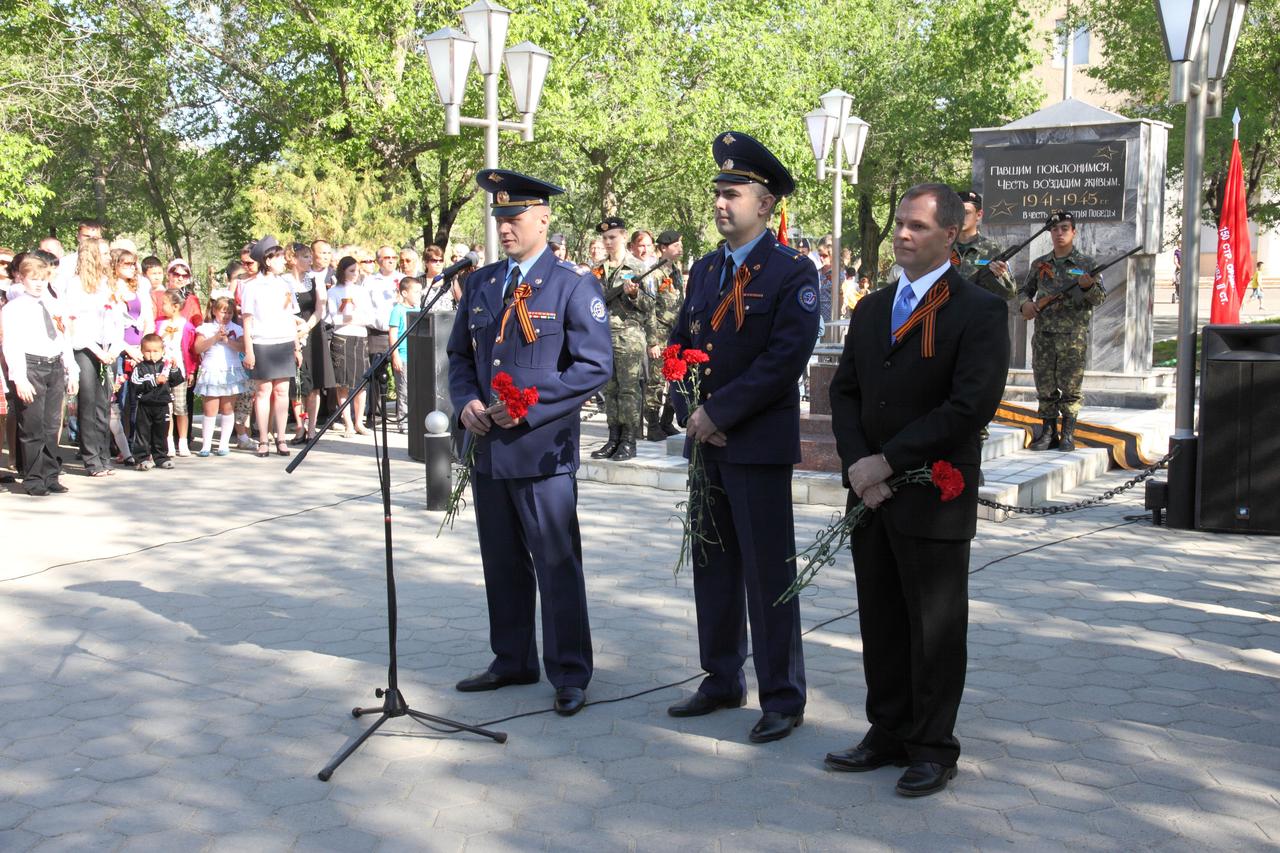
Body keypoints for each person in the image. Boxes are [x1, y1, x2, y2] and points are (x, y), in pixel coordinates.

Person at [826, 183, 1009, 797]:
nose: (903, 234)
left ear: (951, 234)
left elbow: (970, 405)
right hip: (870, 492)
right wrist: (859, 465)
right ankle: (888, 730)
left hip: (933, 493)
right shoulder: (873, 308)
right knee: (880, 617)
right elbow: (846, 392)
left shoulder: (978, 309)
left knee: (934, 626)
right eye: (900, 223)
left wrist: (888, 461)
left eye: (919, 226)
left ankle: (932, 747)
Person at [664, 131, 818, 745]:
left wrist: (719, 413)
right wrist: (688, 409)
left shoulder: (791, 271)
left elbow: (784, 360)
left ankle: (782, 695)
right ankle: (721, 677)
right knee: (714, 566)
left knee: (767, 573)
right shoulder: (705, 270)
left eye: (733, 193)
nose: (721, 203)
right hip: (707, 445)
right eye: (718, 192)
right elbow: (680, 347)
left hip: (754, 446)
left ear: (765, 202)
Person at [446, 169, 612, 717]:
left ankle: (570, 671)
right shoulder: (482, 282)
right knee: (502, 561)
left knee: (556, 562)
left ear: (543, 219)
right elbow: (461, 356)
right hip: (489, 447)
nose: (505, 227)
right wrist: (465, 402)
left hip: (541, 450)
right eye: (499, 217)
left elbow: (594, 366)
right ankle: (512, 659)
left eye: (514, 217)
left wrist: (528, 407)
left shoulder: (572, 284)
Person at [1019, 211, 1104, 452]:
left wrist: (1088, 287)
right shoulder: (1040, 264)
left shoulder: (1086, 264)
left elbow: (1099, 298)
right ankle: (1048, 433)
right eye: (1055, 229)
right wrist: (1025, 304)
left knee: (1071, 387)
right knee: (1045, 386)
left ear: (1074, 232)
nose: (1059, 233)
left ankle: (1067, 433)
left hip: (1072, 336)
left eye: (1065, 228)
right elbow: (1024, 290)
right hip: (1044, 335)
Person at [2, 256, 78, 494]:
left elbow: (64, 339)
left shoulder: (55, 304)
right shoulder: (14, 308)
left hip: (54, 366)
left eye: (42, 279)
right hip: (30, 366)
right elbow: (11, 345)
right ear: (21, 278)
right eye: (33, 279)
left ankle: (50, 474)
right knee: (32, 425)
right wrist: (20, 378)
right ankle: (33, 478)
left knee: (51, 425)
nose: (38, 284)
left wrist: (71, 370)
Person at [588, 216, 648, 461]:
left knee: (628, 390)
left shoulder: (638, 268)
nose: (608, 242)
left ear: (624, 237)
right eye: (604, 238)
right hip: (603, 336)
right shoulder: (597, 269)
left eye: (612, 237)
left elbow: (650, 305)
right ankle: (613, 438)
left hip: (628, 337)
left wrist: (634, 296)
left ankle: (629, 440)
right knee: (610, 390)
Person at [64, 237, 122, 476]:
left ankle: (104, 455)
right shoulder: (76, 285)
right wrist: (97, 351)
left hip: (107, 348)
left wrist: (114, 348)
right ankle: (91, 459)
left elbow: (117, 320)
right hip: (86, 349)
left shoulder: (109, 284)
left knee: (103, 404)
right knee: (88, 403)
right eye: (105, 253)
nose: (109, 257)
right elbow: (74, 324)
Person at [242, 236, 302, 457]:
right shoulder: (252, 286)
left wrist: (296, 346)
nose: (284, 261)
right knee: (263, 391)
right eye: (279, 257)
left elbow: (290, 316)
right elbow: (247, 321)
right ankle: (263, 439)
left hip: (284, 341)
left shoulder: (285, 284)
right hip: (262, 342)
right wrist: (249, 350)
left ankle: (281, 437)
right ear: (268, 260)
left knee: (282, 391)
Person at [642, 230, 684, 440]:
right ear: (663, 248)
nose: (680, 248)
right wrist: (652, 342)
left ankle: (667, 421)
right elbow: (649, 309)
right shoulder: (654, 273)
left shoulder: (676, 270)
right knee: (656, 380)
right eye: (676, 245)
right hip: (659, 332)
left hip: (676, 332)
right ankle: (652, 424)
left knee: (676, 376)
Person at [193, 297, 248, 457]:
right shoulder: (206, 328)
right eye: (223, 311)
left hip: (231, 370)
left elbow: (242, 347)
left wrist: (227, 340)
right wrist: (215, 338)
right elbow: (198, 348)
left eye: (230, 312)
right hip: (211, 370)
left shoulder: (237, 329)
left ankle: (223, 445)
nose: (226, 315)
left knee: (228, 408)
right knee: (210, 409)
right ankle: (206, 445)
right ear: (214, 311)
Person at [327, 255, 375, 437]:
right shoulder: (334, 292)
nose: (355, 274)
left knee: (361, 383)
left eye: (357, 271)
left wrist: (352, 318)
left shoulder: (362, 291)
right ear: (343, 271)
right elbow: (334, 318)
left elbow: (369, 317)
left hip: (360, 337)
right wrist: (352, 318)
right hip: (342, 337)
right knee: (343, 384)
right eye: (351, 270)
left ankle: (359, 422)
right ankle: (347, 423)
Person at [128, 332, 184, 470]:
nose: (151, 354)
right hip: (145, 405)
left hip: (162, 405)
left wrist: (174, 368)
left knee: (161, 432)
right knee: (143, 433)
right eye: (148, 351)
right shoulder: (139, 368)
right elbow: (135, 385)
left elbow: (176, 381)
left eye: (155, 351)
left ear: (162, 351)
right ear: (142, 351)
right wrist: (154, 381)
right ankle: (142, 458)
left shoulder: (165, 366)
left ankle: (161, 458)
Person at [952, 190, 1017, 299]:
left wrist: (1001, 275)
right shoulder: (941, 248)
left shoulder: (994, 250)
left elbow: (1010, 294)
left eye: (966, 213)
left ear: (979, 215)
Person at [155, 290, 197, 457]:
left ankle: (183, 441)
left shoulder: (186, 326)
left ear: (175, 306)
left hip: (179, 372)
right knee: (167, 407)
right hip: (161, 372)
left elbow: (191, 351)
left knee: (180, 407)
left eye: (164, 303)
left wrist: (191, 370)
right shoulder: (159, 324)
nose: (162, 306)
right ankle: (168, 442)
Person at [388, 276, 421, 431]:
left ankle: (417, 419)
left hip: (418, 356)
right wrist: (395, 355)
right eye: (416, 292)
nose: (419, 295)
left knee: (417, 390)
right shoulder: (398, 310)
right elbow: (393, 334)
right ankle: (404, 421)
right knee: (404, 390)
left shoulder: (419, 310)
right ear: (405, 293)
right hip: (403, 357)